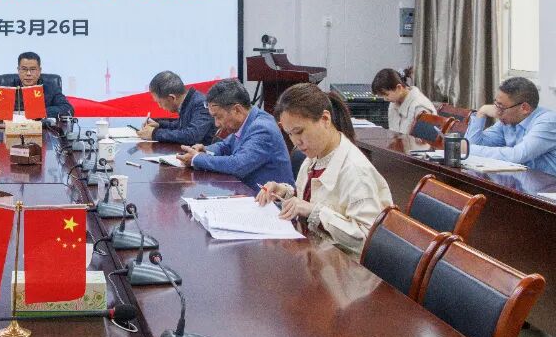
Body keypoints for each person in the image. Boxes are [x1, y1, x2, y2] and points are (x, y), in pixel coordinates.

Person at [256, 83, 393, 258]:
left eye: (299, 131)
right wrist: (283, 193)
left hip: (344, 268)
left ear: (325, 119)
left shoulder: (356, 170)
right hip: (317, 257)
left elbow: (367, 238)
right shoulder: (314, 157)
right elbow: (310, 199)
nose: (296, 141)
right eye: (289, 134)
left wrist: (314, 212)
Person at [177, 79, 293, 190]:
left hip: (270, 200)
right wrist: (205, 150)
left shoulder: (262, 128)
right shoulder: (248, 120)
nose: (216, 124)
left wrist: (197, 158)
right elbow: (225, 145)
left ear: (237, 110)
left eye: (219, 117)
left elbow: (238, 165)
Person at [465, 77, 556, 175]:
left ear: (524, 108)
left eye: (501, 107)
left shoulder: (548, 121)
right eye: (496, 104)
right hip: (522, 179)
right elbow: (472, 144)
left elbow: (517, 155)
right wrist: (481, 113)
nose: (497, 112)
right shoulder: (507, 121)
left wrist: (468, 149)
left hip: (548, 182)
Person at [136, 71, 215, 145]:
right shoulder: (188, 101)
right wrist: (159, 125)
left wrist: (154, 134)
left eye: (159, 102)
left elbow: (192, 136)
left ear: (172, 98)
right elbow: (181, 125)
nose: (159, 106)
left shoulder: (201, 104)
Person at [371, 68, 436, 135]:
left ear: (399, 87)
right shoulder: (394, 103)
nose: (385, 99)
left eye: (386, 95)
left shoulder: (421, 108)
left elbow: (425, 140)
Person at [11, 52, 74, 119]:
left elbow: (68, 109)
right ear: (18, 70)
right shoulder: (8, 87)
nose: (28, 73)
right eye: (24, 69)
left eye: (33, 69)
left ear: (39, 71)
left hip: (42, 125)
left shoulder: (51, 88)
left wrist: (39, 112)